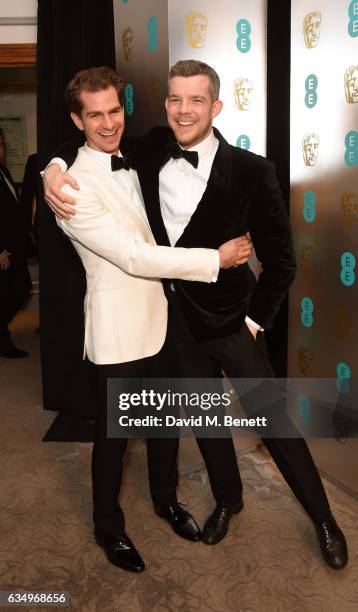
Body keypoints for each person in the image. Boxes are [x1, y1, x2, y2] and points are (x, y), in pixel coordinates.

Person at [43, 60, 348, 570]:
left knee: (276, 424)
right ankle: (229, 500)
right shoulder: (145, 149)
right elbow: (81, 149)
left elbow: (283, 263)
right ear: (164, 105)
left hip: (232, 323)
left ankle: (324, 520)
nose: (184, 111)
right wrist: (50, 167)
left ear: (217, 106)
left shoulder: (253, 170)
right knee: (206, 424)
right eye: (175, 100)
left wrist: (253, 322)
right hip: (174, 325)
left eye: (196, 100)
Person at [45, 66, 252, 573]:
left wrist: (47, 161)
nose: (108, 123)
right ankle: (107, 530)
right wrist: (214, 261)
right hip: (118, 330)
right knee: (113, 442)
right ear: (78, 120)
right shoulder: (70, 188)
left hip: (164, 322)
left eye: (115, 110)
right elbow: (135, 257)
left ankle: (165, 500)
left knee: (164, 427)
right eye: (95, 115)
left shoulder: (138, 153)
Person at [0, 128, 32, 358]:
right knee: (13, 290)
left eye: (0, 144)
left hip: (14, 245)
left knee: (21, 287)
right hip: (3, 249)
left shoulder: (3, 172)